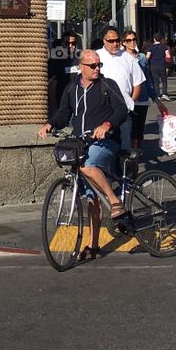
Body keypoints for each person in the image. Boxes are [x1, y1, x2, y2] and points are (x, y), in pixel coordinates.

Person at [38, 48, 129, 258]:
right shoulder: (72, 88)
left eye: (99, 65)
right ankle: (93, 245)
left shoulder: (107, 85)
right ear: (81, 67)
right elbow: (64, 112)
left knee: (86, 165)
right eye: (93, 65)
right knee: (91, 197)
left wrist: (107, 125)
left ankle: (115, 202)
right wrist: (50, 124)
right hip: (81, 143)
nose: (97, 68)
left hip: (106, 141)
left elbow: (121, 110)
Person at [96, 28, 144, 150]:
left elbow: (138, 83)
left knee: (125, 146)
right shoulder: (96, 56)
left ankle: (125, 161)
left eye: (117, 40)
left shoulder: (128, 58)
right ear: (104, 41)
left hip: (123, 111)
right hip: (101, 111)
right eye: (111, 41)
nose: (115, 43)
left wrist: (131, 102)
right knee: (101, 146)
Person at [122, 30, 161, 148]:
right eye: (129, 40)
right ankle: (129, 153)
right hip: (127, 99)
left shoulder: (142, 58)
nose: (132, 42)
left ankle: (136, 154)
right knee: (128, 130)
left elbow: (147, 79)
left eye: (134, 39)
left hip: (142, 98)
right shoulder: (121, 57)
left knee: (139, 132)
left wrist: (156, 99)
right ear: (124, 42)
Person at [146, 33, 169, 101]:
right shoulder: (164, 47)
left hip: (153, 66)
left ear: (154, 39)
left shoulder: (150, 47)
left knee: (155, 81)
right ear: (161, 39)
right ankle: (164, 94)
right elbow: (168, 56)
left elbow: (147, 57)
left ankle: (157, 95)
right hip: (162, 65)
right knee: (164, 80)